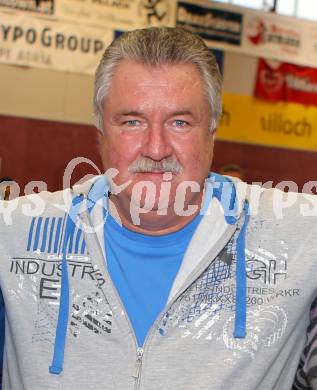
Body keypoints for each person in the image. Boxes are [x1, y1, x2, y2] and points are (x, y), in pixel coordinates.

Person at [0, 27, 316, 390]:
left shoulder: (294, 230)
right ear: (101, 131)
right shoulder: (16, 231)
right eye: (132, 121)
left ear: (211, 132)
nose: (155, 148)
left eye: (180, 122)